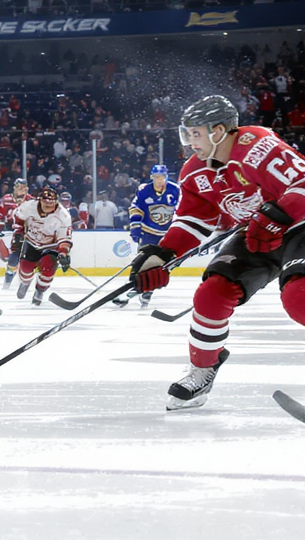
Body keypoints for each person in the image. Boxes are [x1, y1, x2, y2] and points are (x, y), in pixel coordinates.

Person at [130, 95, 305, 410]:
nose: (189, 141)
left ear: (219, 131)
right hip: (256, 232)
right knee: (212, 293)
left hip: (299, 223)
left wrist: (278, 213)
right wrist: (162, 255)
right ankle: (203, 369)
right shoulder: (194, 171)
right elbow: (193, 221)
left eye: (195, 133)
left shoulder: (257, 145)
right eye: (187, 134)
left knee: (300, 298)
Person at [115, 164, 180, 308]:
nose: (159, 180)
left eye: (161, 177)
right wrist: (136, 227)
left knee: (161, 268)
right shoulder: (144, 190)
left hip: (167, 235)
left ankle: (147, 293)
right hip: (149, 233)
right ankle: (129, 288)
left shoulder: (175, 190)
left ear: (166, 177)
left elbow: (181, 210)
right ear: (152, 177)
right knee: (140, 263)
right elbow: (136, 208)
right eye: (156, 177)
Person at [10, 187, 75, 306]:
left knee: (48, 268)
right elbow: (18, 219)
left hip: (51, 245)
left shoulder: (63, 216)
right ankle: (25, 283)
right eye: (46, 203)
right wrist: (19, 232)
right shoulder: (28, 206)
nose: (49, 206)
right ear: (39, 200)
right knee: (25, 268)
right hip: (31, 241)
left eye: (52, 203)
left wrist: (63, 253)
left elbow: (64, 239)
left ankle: (40, 291)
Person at [0, 178, 31, 289]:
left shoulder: (32, 201)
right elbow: (0, 215)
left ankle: (25, 284)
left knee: (29, 260)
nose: (20, 189)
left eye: (23, 187)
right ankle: (7, 284)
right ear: (14, 188)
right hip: (12, 233)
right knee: (12, 260)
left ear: (26, 189)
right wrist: (1, 226)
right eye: (18, 187)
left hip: (28, 235)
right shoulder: (6, 199)